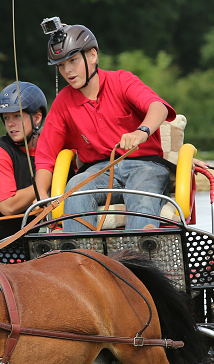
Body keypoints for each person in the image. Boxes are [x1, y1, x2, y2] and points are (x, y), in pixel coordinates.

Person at [34, 21, 176, 233]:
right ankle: (82, 261)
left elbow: (158, 108)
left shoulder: (121, 80)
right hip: (99, 172)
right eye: (61, 65)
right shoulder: (63, 102)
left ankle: (137, 263)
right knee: (74, 189)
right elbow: (46, 156)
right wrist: (42, 196)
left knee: (141, 196)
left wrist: (142, 131)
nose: (68, 71)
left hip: (145, 165)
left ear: (93, 56)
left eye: (72, 60)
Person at [0, 81, 49, 250]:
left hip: (31, 246)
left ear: (36, 117)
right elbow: (8, 206)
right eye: (6, 118)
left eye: (17, 116)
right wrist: (44, 184)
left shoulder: (49, 150)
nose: (10, 123)